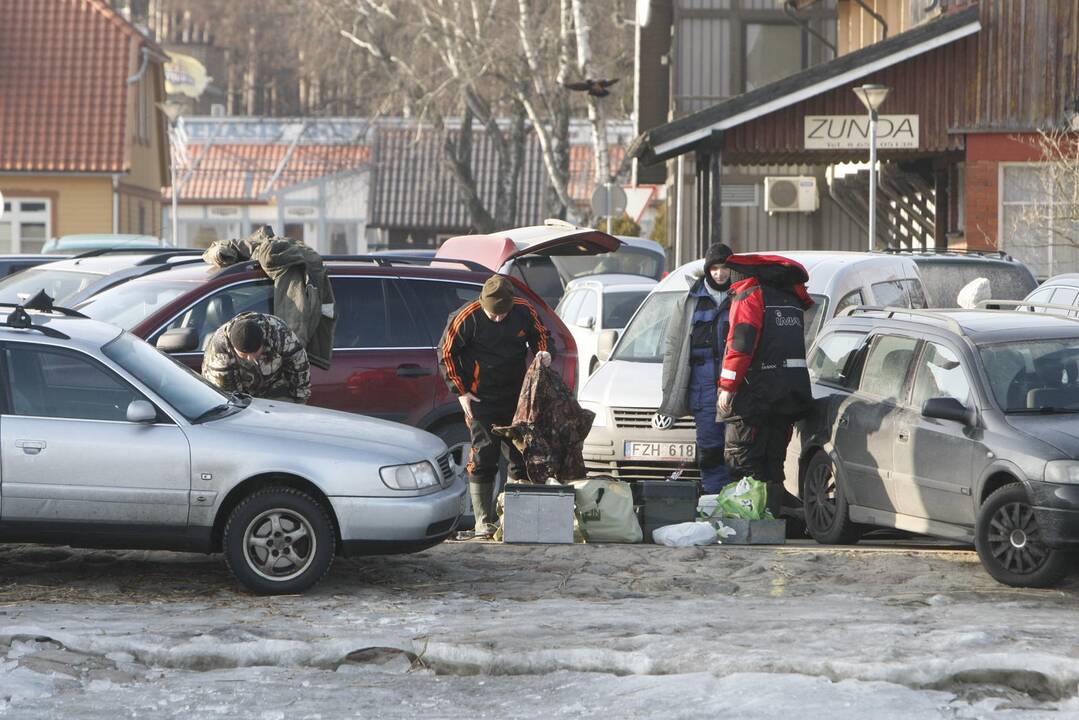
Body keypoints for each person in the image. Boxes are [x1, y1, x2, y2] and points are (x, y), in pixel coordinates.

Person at [439, 275, 553, 539]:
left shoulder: (524, 310)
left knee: (519, 458)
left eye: (503, 314)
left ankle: (511, 520)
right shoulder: (467, 316)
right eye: (494, 314)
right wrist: (461, 392)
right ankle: (483, 521)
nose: (499, 319)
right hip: (480, 397)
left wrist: (543, 353)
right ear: (483, 305)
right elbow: (446, 353)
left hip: (516, 396)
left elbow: (541, 336)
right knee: (483, 457)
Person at [715, 252, 814, 517]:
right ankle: (772, 518)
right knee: (773, 461)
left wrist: (728, 386)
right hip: (790, 393)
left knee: (742, 459)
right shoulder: (791, 299)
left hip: (754, 394)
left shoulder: (750, 296)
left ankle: (748, 518)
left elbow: (741, 345)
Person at [659, 242, 734, 494]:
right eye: (715, 268)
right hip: (701, 390)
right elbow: (673, 346)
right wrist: (668, 391)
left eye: (725, 268)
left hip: (733, 389)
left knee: (735, 450)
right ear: (707, 270)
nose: (720, 274)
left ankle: (735, 501)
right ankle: (714, 498)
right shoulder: (689, 302)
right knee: (710, 449)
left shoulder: (740, 298)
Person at [202, 312, 312, 404]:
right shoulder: (219, 350)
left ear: (263, 343)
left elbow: (299, 366)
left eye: (255, 352)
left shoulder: (279, 334)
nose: (250, 358)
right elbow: (225, 394)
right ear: (234, 348)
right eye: (244, 355)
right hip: (237, 391)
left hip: (274, 386)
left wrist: (300, 401)